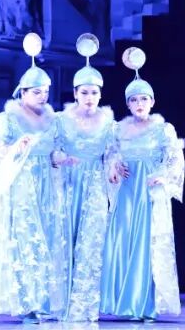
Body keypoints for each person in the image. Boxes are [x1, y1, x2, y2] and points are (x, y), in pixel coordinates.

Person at [0, 32, 69, 323]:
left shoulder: (53, 120)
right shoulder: (7, 119)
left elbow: (55, 150)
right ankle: (26, 301)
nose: (43, 96)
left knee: (48, 237)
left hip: (47, 185)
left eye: (45, 91)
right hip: (21, 183)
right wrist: (14, 148)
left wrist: (60, 158)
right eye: (36, 92)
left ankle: (44, 300)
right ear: (22, 92)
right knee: (25, 239)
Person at [100, 47, 185, 321]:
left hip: (149, 191)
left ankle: (146, 304)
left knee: (147, 244)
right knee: (124, 241)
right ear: (128, 104)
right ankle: (123, 302)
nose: (139, 103)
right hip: (127, 190)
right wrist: (114, 166)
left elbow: (175, 158)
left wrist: (164, 176)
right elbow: (110, 155)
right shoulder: (117, 129)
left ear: (152, 101)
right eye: (134, 99)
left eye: (144, 98)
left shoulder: (163, 129)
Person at [54, 33, 116, 322]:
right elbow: (52, 149)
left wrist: (113, 167)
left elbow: (113, 152)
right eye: (84, 92)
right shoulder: (61, 120)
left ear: (100, 95)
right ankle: (60, 303)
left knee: (90, 242)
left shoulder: (108, 124)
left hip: (94, 184)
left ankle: (84, 305)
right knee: (65, 239)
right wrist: (61, 158)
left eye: (94, 93)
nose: (89, 98)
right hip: (68, 183)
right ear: (75, 93)